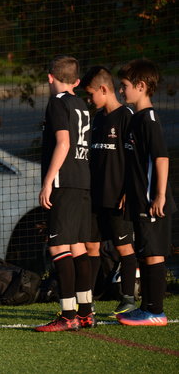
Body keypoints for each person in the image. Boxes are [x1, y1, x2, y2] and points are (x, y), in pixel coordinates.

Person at [35, 55, 93, 332]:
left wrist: (48, 181)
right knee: (78, 246)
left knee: (58, 246)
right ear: (77, 82)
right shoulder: (81, 104)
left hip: (64, 181)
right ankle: (86, 312)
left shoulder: (57, 102)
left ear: (50, 77)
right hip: (82, 180)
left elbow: (63, 143)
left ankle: (68, 314)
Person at [116, 59, 176, 326]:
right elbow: (136, 163)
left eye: (124, 86)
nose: (121, 91)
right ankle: (146, 308)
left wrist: (159, 195)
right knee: (144, 252)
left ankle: (155, 311)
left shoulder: (149, 119)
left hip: (152, 201)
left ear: (140, 86)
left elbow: (161, 158)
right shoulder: (135, 118)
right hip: (140, 199)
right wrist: (127, 192)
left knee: (153, 253)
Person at [80, 66, 136, 316]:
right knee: (91, 247)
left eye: (91, 94)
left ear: (103, 89)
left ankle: (128, 298)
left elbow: (135, 159)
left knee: (124, 248)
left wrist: (128, 190)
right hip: (95, 197)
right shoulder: (98, 119)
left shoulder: (127, 116)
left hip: (117, 198)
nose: (89, 100)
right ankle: (87, 300)